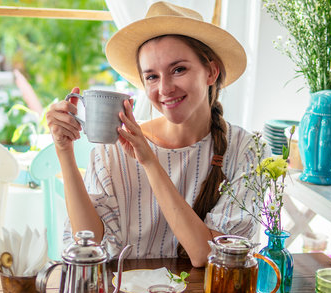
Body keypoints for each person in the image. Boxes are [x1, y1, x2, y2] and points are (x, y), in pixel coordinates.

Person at [46, 1, 262, 267]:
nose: (165, 88)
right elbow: (87, 243)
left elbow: (206, 256)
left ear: (211, 71)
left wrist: (149, 161)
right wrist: (64, 151)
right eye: (151, 77)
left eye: (178, 69)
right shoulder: (114, 147)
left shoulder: (245, 149)